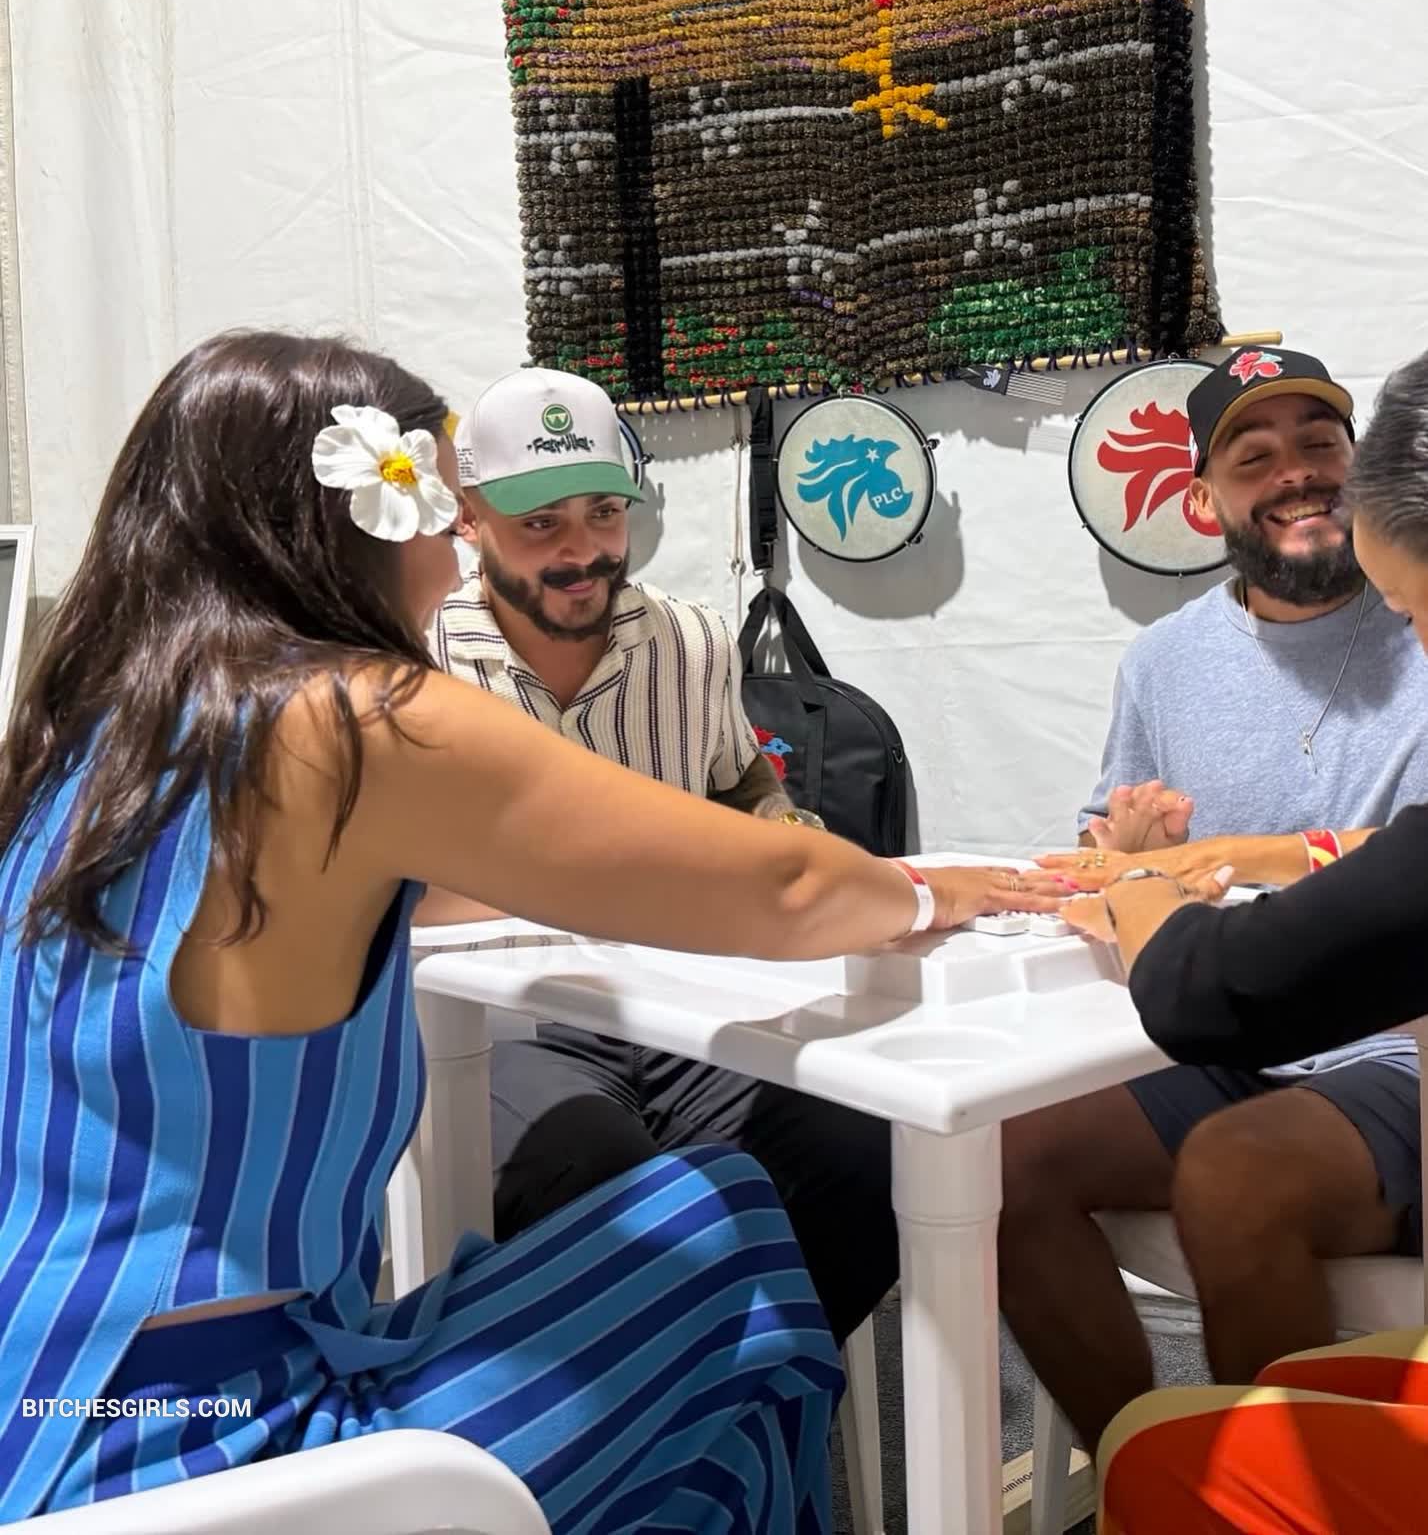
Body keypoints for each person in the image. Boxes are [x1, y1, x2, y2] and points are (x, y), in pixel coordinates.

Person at [0, 330, 1061, 1526]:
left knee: (704, 1346)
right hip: (213, 1432)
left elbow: (470, 883)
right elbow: (785, 889)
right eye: (442, 509)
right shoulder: (351, 715)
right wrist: (933, 890)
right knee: (728, 1236)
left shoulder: (92, 739)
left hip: (46, 1392)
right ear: (362, 515)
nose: (456, 554)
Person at [427, 365, 1063, 1346]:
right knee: (596, 1175)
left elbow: (740, 782)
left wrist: (789, 833)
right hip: (508, 1025)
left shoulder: (691, 642)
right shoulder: (413, 658)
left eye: (603, 513)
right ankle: (664, 1407)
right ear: (468, 519)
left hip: (688, 1002)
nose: (581, 551)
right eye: (540, 523)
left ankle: (750, 1384)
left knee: (873, 1145)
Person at [998, 347, 1428, 1459]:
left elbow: (1407, 874)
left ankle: (1272, 1496)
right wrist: (1129, 854)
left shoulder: (1419, 608)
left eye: (1320, 443)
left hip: (1395, 1048)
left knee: (1234, 1172)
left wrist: (1208, 866)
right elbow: (1110, 852)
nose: (1298, 473)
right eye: (1256, 456)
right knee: (1001, 1158)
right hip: (1224, 1030)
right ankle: (1152, 1471)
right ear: (1202, 501)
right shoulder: (1164, 662)